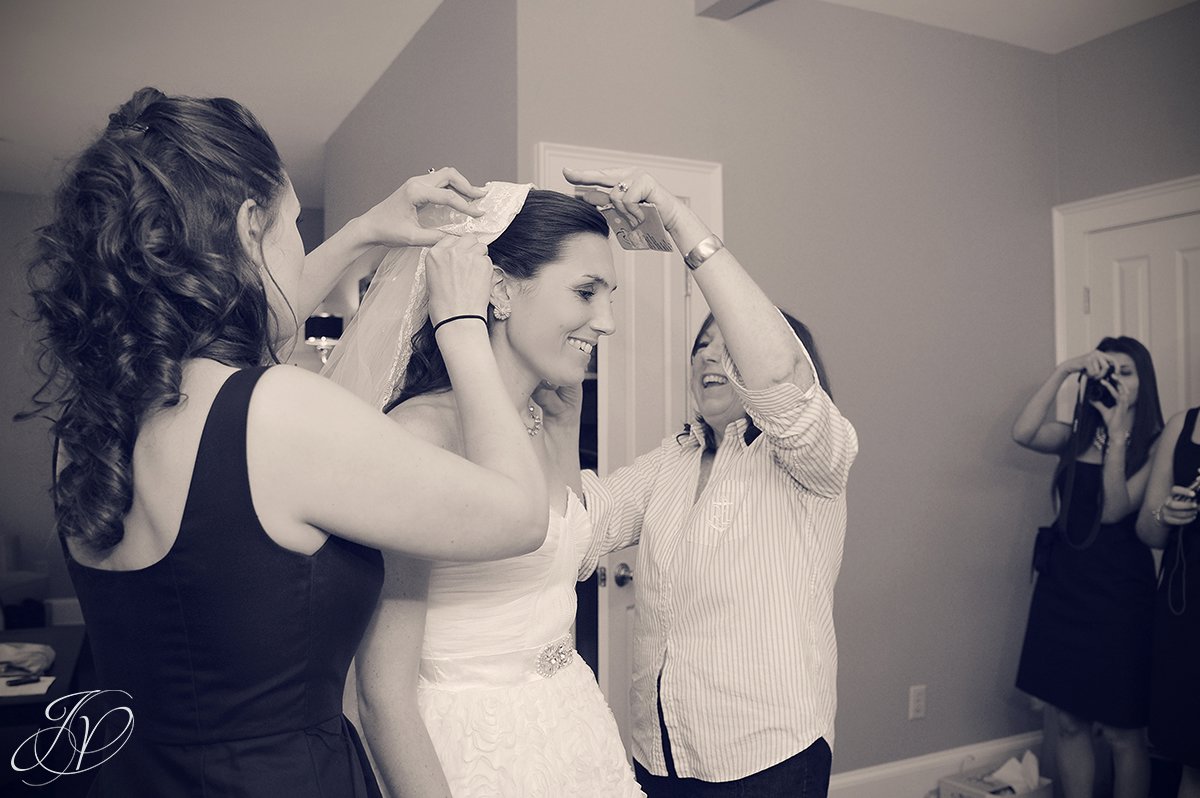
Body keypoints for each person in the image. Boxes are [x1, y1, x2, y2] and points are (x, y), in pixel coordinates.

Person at [20, 87, 549, 797]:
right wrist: (459, 323)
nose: (301, 248)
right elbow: (519, 514)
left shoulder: (90, 423)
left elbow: (252, 319)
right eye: (293, 225)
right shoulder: (277, 411)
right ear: (248, 226)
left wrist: (364, 231)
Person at [327, 183, 645, 796]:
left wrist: (564, 428)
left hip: (573, 725)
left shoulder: (542, 417)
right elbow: (382, 695)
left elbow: (556, 562)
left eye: (610, 297)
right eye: (585, 292)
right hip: (470, 750)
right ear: (497, 288)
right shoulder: (421, 435)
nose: (606, 322)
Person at [557, 167, 858, 798]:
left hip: (767, 755)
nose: (710, 357)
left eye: (730, 345)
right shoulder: (672, 459)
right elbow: (582, 524)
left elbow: (781, 386)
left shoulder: (811, 459)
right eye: (702, 344)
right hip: (661, 754)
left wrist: (678, 219)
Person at [1011, 338, 1164, 798]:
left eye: (1128, 371)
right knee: (1070, 721)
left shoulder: (1158, 443)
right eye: (1108, 370)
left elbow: (1116, 509)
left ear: (1144, 382)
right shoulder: (1075, 435)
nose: (1117, 379)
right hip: (1064, 585)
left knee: (1122, 729)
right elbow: (1023, 432)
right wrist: (1064, 370)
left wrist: (1118, 438)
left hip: (1121, 594)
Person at [1136, 405, 1200, 798]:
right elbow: (1148, 531)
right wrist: (1167, 514)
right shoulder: (1184, 425)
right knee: (1192, 755)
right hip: (1185, 608)